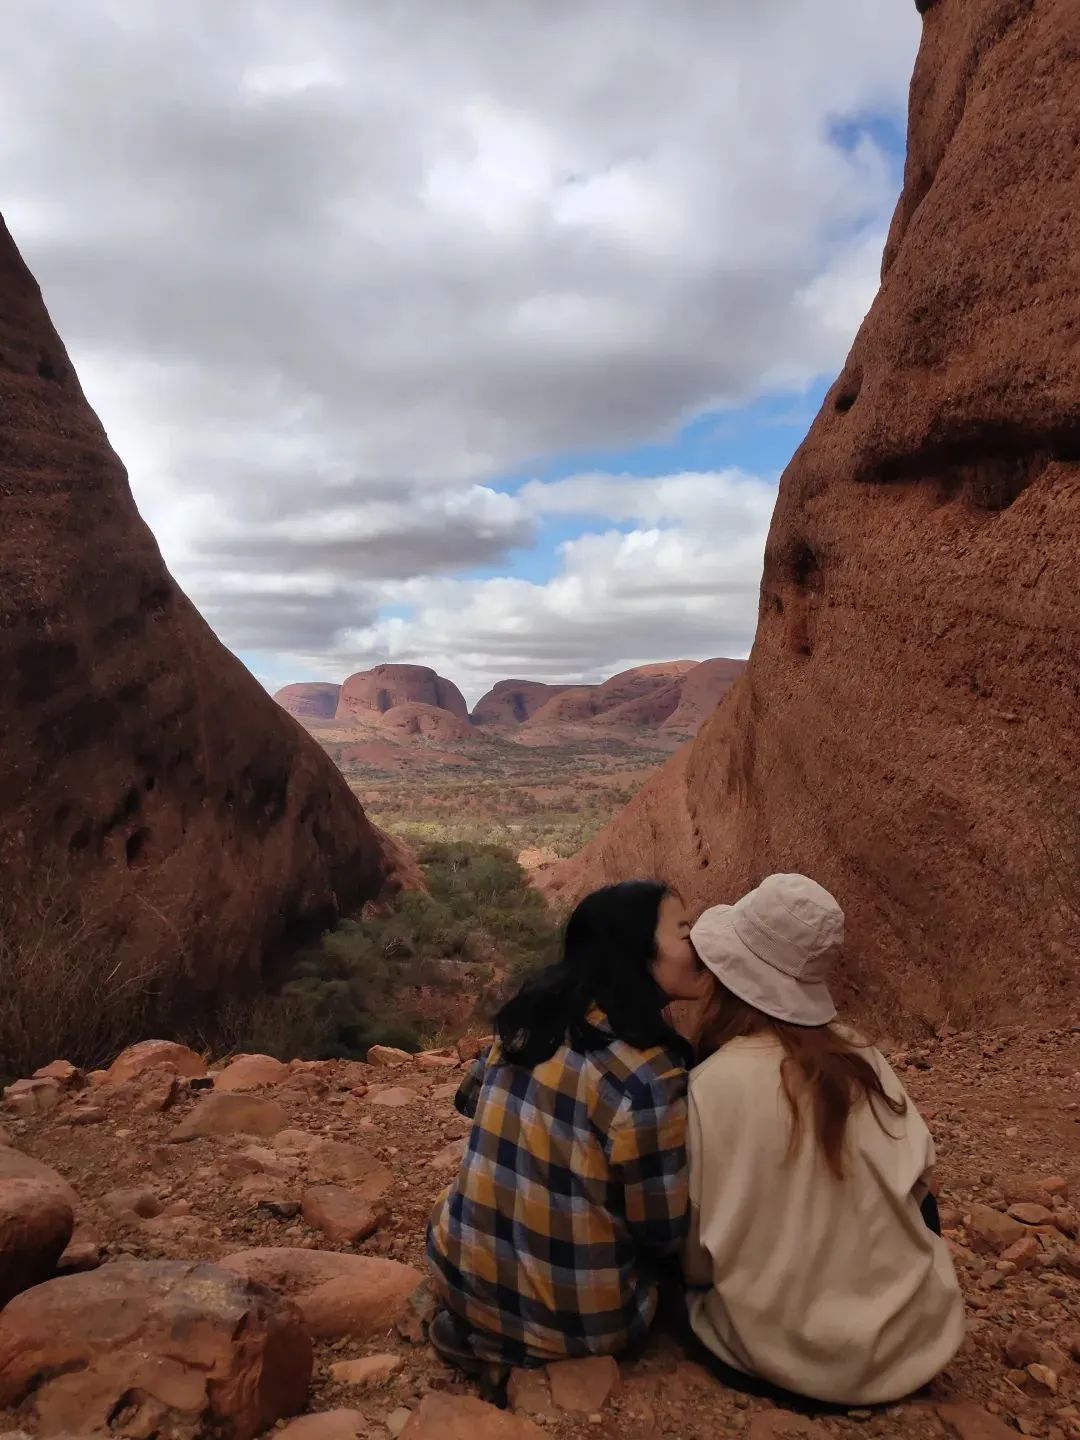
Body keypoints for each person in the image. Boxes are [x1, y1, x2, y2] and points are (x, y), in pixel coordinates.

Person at [682, 873, 964, 1407]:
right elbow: (921, 1188)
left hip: (771, 1356)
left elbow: (697, 1256)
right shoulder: (865, 1060)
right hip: (910, 1349)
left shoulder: (709, 1085)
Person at [426, 880, 708, 1382]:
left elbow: (468, 1100)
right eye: (684, 932)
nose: (699, 945)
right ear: (637, 953)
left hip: (454, 1277)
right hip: (581, 1325)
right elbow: (661, 1230)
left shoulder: (530, 1020)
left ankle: (482, 1329)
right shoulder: (652, 1074)